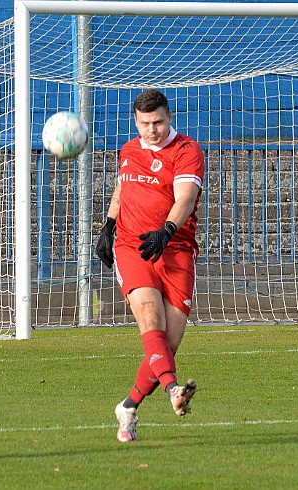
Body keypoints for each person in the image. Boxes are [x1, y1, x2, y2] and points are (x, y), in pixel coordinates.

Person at [95, 89, 205, 443]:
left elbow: (185, 198)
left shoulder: (187, 151)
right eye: (144, 124)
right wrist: (109, 226)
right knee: (149, 318)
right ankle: (175, 390)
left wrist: (167, 231)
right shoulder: (128, 150)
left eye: (158, 122)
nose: (152, 130)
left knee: (166, 347)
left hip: (177, 251)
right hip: (133, 248)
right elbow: (121, 190)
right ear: (136, 121)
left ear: (169, 117)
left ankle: (128, 407)